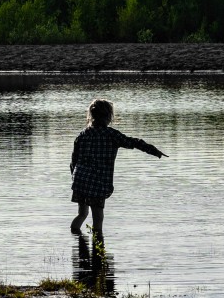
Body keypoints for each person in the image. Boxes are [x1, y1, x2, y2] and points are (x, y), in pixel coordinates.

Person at [69, 98, 165, 239]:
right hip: (97, 182)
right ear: (109, 116)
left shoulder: (82, 135)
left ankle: (75, 240)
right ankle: (98, 251)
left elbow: (73, 160)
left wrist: (75, 179)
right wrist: (153, 150)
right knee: (98, 218)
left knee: (82, 214)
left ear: (91, 116)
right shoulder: (111, 135)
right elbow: (133, 142)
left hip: (81, 180)